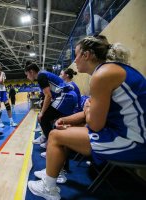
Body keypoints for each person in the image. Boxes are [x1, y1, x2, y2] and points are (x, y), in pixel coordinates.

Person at [28, 35, 146, 200]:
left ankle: (49, 188)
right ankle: (55, 171)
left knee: (54, 136)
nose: (74, 60)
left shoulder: (103, 74)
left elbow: (95, 124)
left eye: (76, 54)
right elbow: (87, 113)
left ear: (87, 55)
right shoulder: (108, 70)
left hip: (135, 141)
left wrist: (88, 109)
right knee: (64, 129)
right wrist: (67, 119)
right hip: (128, 134)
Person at [24, 63, 77, 150]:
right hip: (69, 97)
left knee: (43, 117)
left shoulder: (41, 77)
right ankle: (49, 140)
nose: (27, 77)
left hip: (67, 97)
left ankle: (53, 145)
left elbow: (48, 96)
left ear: (31, 72)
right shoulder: (43, 74)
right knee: (46, 115)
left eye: (27, 75)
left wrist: (42, 113)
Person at [0, 62, 17, 128]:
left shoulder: (3, 73)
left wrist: (2, 74)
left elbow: (2, 82)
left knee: (8, 105)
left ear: (1, 68)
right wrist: (2, 75)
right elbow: (0, 81)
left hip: (3, 91)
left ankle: (11, 121)